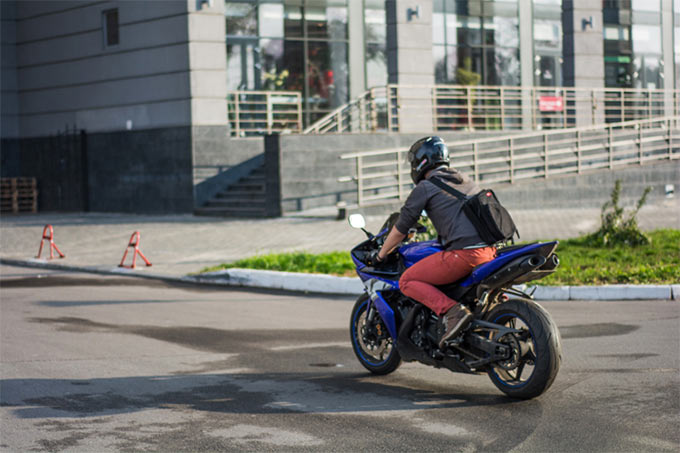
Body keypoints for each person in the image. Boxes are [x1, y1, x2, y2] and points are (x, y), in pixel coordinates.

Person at [373, 136, 496, 348]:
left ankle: (452, 312)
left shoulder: (426, 187)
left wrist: (380, 255)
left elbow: (401, 228)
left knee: (407, 281)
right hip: (491, 252)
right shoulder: (464, 180)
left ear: (421, 162)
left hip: (464, 255)